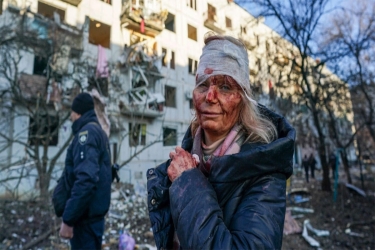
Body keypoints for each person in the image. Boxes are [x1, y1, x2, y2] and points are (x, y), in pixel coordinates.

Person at [147, 33, 295, 249]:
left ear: (243, 98)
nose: (210, 96)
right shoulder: (185, 158)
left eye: (225, 87)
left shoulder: (265, 171)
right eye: (203, 85)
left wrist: (188, 183)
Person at [52, 92, 112, 250]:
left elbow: (86, 180)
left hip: (85, 222)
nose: (71, 116)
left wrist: (68, 219)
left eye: (72, 112)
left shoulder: (86, 134)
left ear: (78, 112)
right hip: (92, 219)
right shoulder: (99, 132)